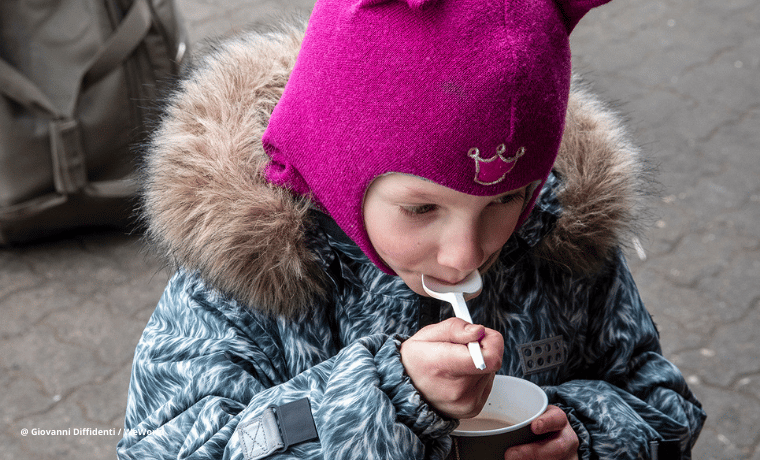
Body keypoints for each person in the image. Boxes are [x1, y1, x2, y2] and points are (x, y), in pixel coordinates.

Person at [118, 0, 706, 459]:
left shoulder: (561, 245)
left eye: (506, 199)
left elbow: (663, 406)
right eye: (422, 210)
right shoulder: (241, 282)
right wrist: (388, 398)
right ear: (337, 170)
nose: (465, 253)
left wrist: (585, 436)